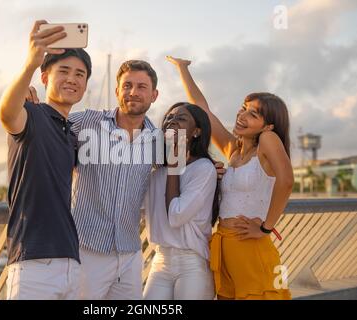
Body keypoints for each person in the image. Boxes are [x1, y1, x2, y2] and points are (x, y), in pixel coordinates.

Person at [27, 59, 226, 300]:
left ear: (154, 95)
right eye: (127, 85)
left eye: (142, 87)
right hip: (87, 250)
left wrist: (214, 168)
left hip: (130, 256)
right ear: (117, 91)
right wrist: (33, 104)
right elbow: (48, 127)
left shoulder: (158, 141)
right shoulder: (87, 123)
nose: (133, 92)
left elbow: (186, 163)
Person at [167, 56, 293, 300]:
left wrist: (267, 227)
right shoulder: (232, 150)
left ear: (268, 126)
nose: (242, 115)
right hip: (223, 246)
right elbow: (203, 111)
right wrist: (183, 69)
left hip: (251, 247)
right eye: (243, 108)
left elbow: (287, 181)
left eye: (253, 114)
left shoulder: (267, 141)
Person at [0, 20, 92, 299]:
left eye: (80, 74)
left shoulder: (71, 133)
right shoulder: (31, 115)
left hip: (71, 264)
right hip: (33, 264)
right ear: (44, 77)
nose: (72, 79)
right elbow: (6, 113)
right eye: (63, 71)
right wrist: (29, 65)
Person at [143, 102, 219, 300]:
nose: (172, 122)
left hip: (191, 262)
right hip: (160, 260)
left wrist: (174, 168)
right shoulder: (155, 171)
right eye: (169, 118)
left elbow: (176, 215)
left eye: (181, 118)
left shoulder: (203, 169)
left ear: (196, 132)